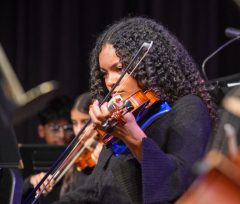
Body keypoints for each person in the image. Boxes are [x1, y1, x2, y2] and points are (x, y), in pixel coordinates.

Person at [54, 17, 217, 204]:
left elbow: (182, 183)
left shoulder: (187, 108)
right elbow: (95, 191)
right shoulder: (121, 122)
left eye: (120, 68)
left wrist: (133, 138)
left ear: (150, 66)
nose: (110, 81)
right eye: (105, 73)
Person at [22, 95, 73, 202]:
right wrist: (30, 181)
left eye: (68, 128)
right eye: (55, 129)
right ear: (41, 130)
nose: (62, 135)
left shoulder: (79, 154)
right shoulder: (26, 158)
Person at [59, 92, 103, 197]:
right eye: (74, 123)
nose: (79, 130)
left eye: (85, 122)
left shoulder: (110, 150)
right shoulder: (77, 152)